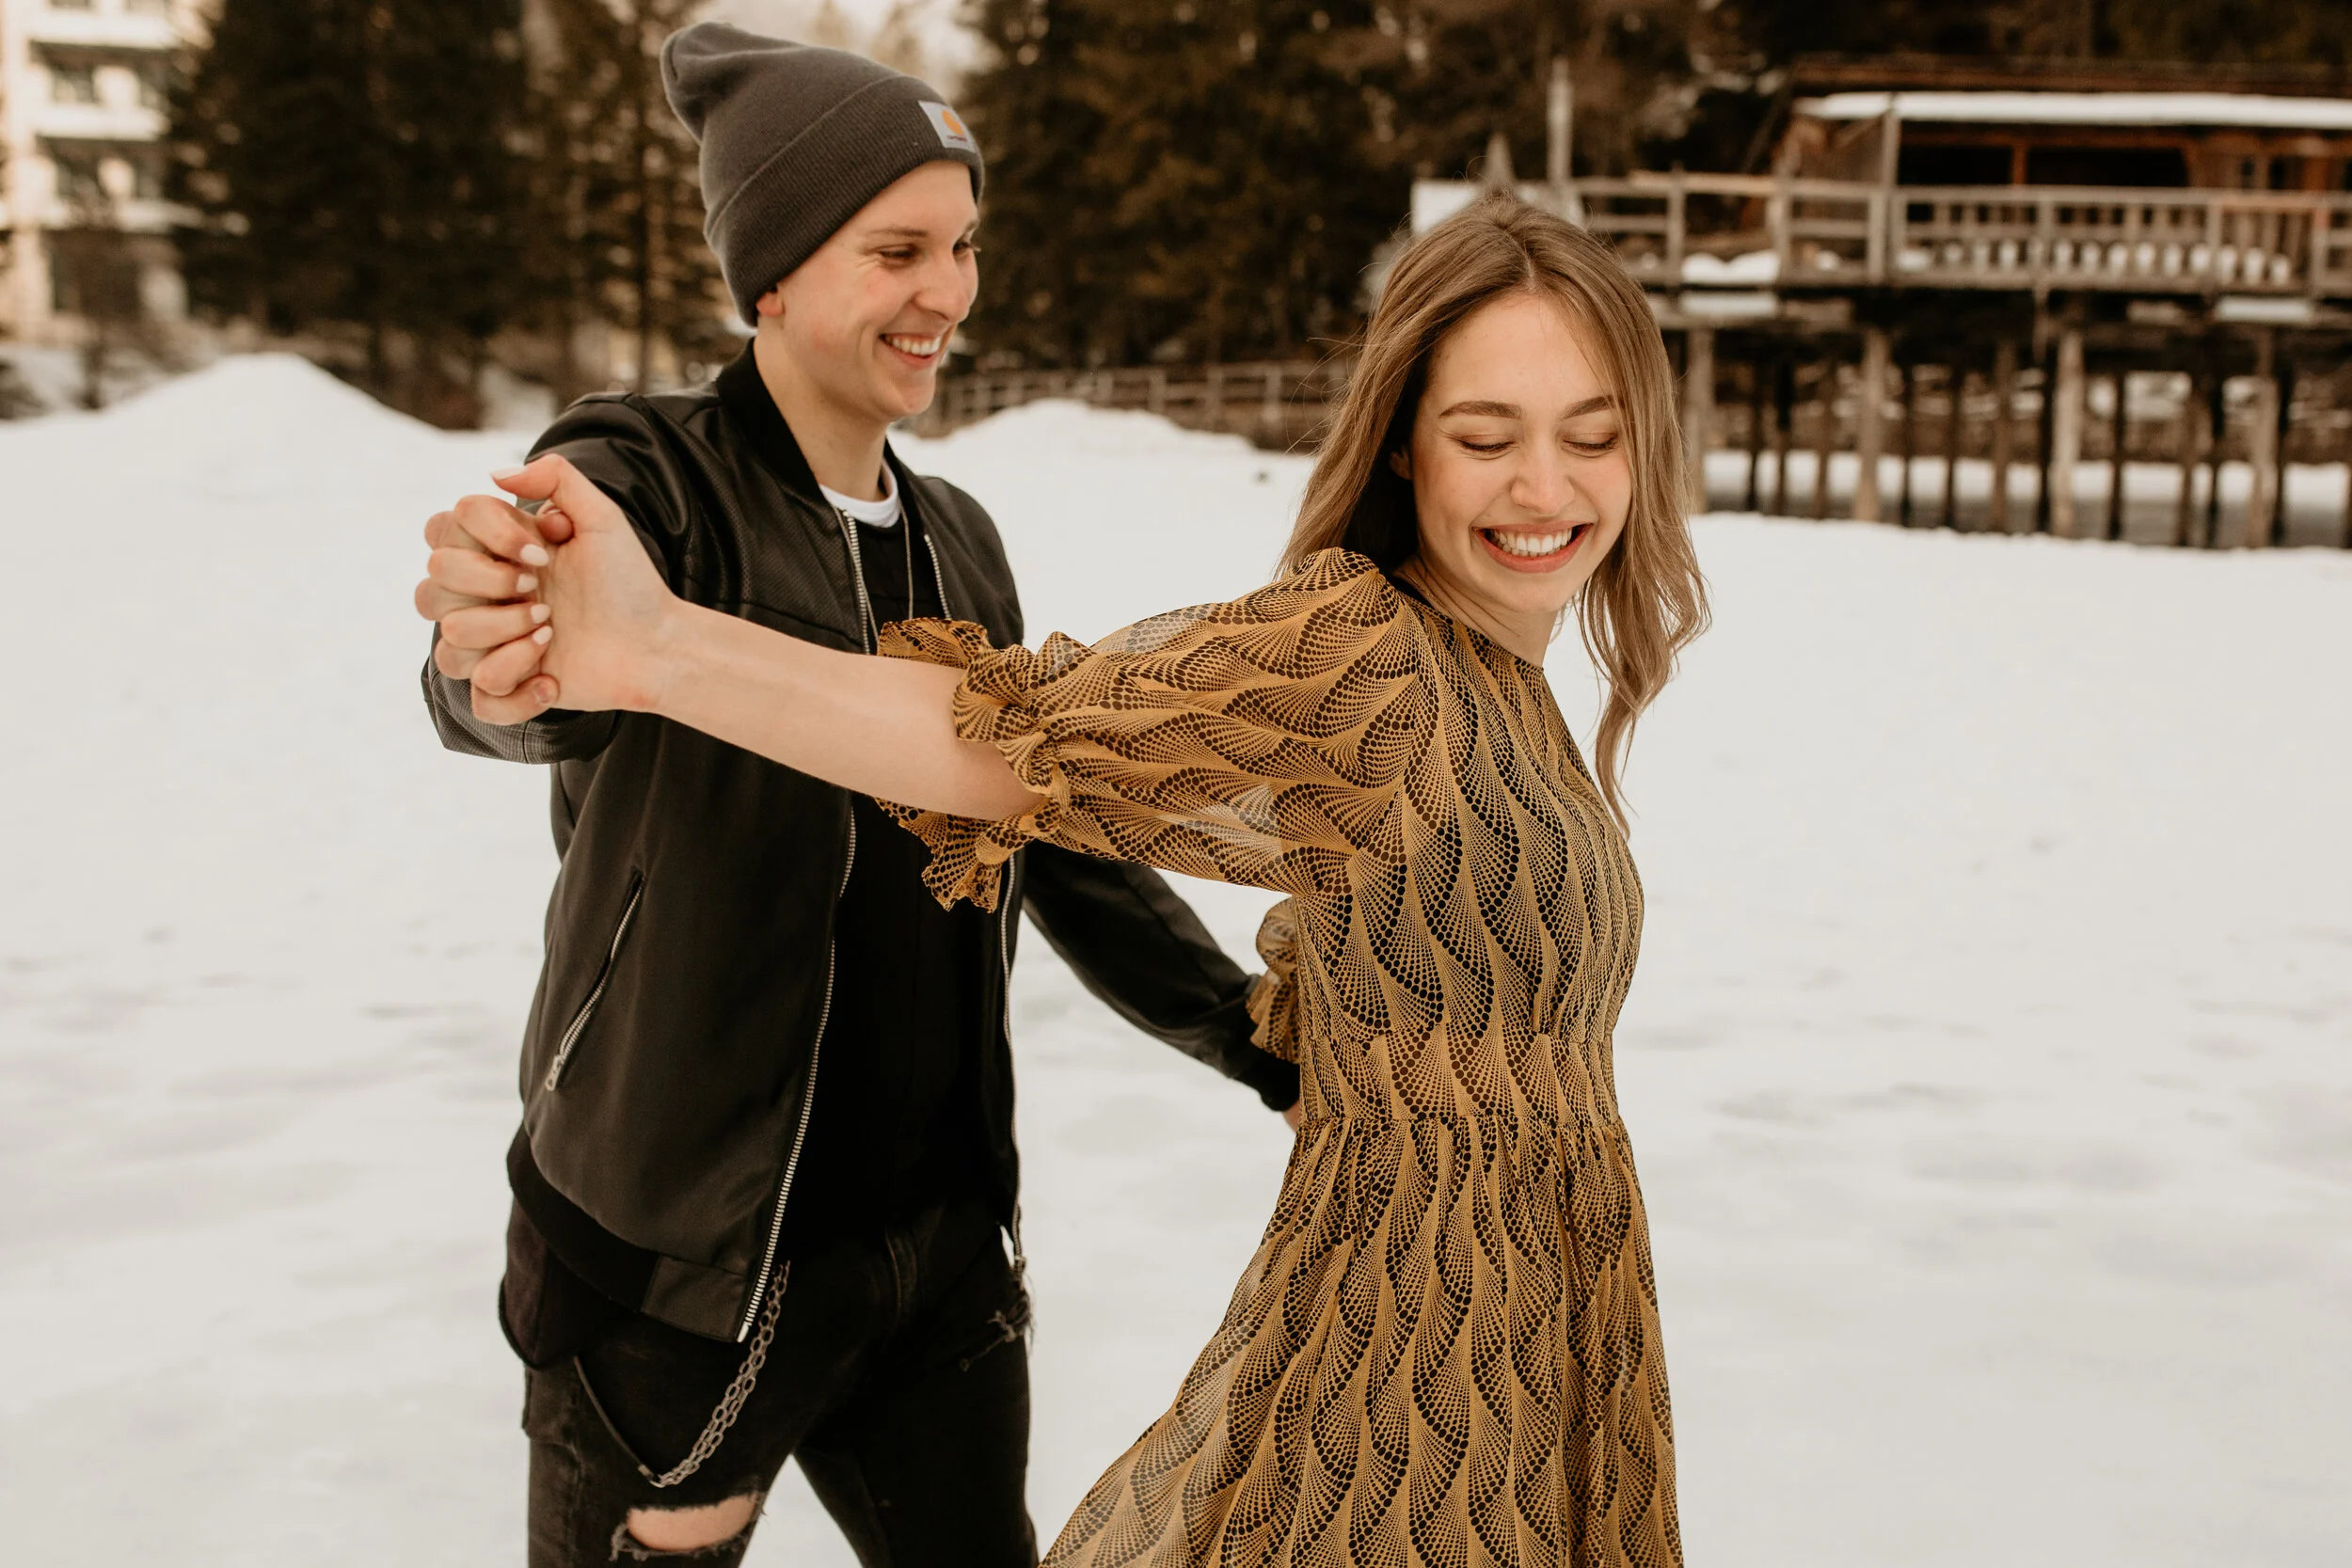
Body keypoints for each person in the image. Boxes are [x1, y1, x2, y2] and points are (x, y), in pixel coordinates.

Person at [434, 194, 1709, 1566]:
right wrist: (648, 648)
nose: (1547, 487)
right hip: (1415, 1362)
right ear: (1404, 441)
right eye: (1485, 435)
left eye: (1593, 434)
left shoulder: (1497, 681)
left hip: (1531, 1339)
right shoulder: (1369, 660)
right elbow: (1009, 747)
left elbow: (1415, 958)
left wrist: (1280, 1034)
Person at [414, 24, 1299, 1566]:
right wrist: (487, 655)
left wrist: (1245, 1032)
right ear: (771, 273)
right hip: (679, 1273)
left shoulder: (961, 536)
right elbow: (527, 654)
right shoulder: (658, 476)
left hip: (936, 1258)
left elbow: (1047, 828)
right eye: (898, 248)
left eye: (962, 245)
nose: (947, 292)